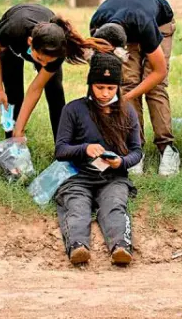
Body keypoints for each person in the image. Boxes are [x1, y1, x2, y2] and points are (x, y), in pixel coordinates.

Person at [54, 51, 143, 265]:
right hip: (78, 177)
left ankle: (120, 247)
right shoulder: (73, 109)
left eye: (111, 88)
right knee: (76, 207)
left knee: (114, 205)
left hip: (113, 177)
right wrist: (84, 149)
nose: (104, 93)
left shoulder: (128, 111)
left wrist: (121, 162)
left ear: (118, 88)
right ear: (90, 84)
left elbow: (136, 151)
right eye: (99, 87)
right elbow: (61, 150)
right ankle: (78, 246)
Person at [90, 0, 179, 176]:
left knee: (154, 87)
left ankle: (167, 148)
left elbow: (159, 72)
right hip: (123, 23)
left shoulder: (144, 24)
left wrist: (126, 97)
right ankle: (135, 148)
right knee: (127, 82)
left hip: (159, 23)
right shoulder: (97, 26)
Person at [0, 3, 111, 140]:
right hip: (16, 28)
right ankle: (12, 141)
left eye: (48, 62)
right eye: (40, 60)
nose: (43, 65)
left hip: (44, 33)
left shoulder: (57, 51)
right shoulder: (12, 32)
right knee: (13, 93)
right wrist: (0, 90)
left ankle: (62, 144)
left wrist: (21, 127)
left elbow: (35, 89)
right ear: (30, 42)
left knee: (55, 91)